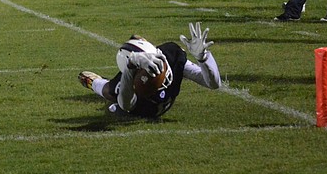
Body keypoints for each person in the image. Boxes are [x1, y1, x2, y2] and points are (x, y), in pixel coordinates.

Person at [77, 22, 221, 119]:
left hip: (161, 102)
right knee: (109, 91)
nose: (160, 68)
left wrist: (203, 59)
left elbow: (214, 83)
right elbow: (126, 105)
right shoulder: (129, 78)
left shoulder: (171, 56)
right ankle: (94, 82)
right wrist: (130, 68)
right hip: (141, 108)